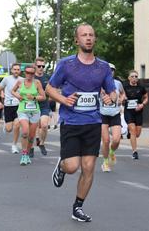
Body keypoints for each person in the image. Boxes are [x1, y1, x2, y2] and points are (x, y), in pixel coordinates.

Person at [46, 23, 116, 222]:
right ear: (77, 40)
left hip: (93, 123)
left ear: (95, 39)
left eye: (91, 35)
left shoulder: (103, 67)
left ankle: (77, 207)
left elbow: (111, 91)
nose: (88, 38)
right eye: (84, 35)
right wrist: (63, 100)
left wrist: (111, 97)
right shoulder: (66, 64)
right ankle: (61, 167)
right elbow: (49, 89)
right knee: (72, 167)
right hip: (71, 122)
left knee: (88, 167)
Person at [11, 65, 46, 165]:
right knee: (25, 131)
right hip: (23, 110)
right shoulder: (20, 82)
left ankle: (27, 153)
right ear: (24, 72)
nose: (29, 75)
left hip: (35, 111)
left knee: (31, 137)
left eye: (31, 73)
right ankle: (24, 154)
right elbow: (12, 91)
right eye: (27, 72)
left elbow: (43, 97)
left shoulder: (37, 83)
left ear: (34, 73)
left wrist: (34, 98)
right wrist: (18, 96)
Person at [100, 63, 125, 172]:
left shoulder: (118, 83)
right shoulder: (98, 83)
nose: (110, 72)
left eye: (112, 70)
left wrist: (121, 99)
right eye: (108, 70)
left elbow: (123, 94)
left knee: (116, 139)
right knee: (106, 141)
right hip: (102, 114)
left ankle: (111, 152)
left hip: (115, 114)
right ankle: (105, 163)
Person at [0, 63, 23, 154]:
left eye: (18, 69)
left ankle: (14, 145)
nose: (16, 71)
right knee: (9, 129)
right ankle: (6, 125)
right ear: (11, 70)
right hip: (8, 106)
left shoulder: (22, 80)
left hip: (19, 106)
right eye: (14, 69)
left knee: (17, 125)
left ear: (20, 71)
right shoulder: (6, 79)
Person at [123, 70, 148, 159]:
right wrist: (123, 98)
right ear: (129, 78)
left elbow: (146, 97)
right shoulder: (125, 87)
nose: (134, 78)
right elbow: (121, 96)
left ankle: (130, 133)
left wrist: (142, 104)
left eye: (136, 76)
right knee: (133, 130)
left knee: (137, 134)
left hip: (138, 112)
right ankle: (135, 152)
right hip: (129, 112)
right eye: (132, 76)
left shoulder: (141, 88)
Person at [30, 57, 51, 157]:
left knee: (44, 125)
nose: (41, 68)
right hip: (32, 106)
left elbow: (53, 89)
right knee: (33, 129)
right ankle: (31, 147)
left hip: (44, 105)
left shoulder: (48, 77)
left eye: (43, 66)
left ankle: (42, 143)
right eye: (39, 66)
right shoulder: (31, 77)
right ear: (35, 66)